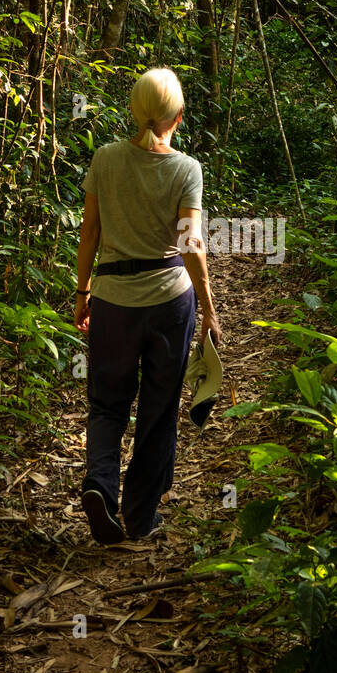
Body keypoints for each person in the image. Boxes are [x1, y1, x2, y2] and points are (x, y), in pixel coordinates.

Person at [74, 68, 221, 545]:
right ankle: (140, 517)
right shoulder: (186, 169)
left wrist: (82, 292)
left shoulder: (106, 159)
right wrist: (210, 309)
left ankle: (100, 484)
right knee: (158, 410)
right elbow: (191, 246)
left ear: (134, 111)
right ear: (178, 116)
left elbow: (90, 232)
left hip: (113, 301)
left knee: (107, 404)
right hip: (168, 303)